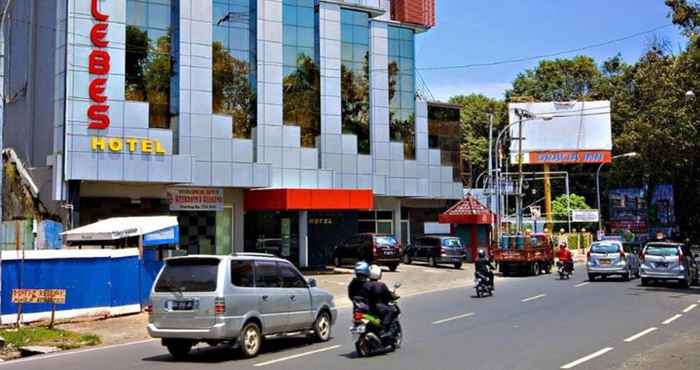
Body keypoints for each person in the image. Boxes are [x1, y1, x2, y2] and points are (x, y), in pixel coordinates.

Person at [363, 265, 398, 343]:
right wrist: (393, 297)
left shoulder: (364, 285)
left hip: (367, 308)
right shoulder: (381, 285)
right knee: (390, 311)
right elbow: (388, 296)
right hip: (377, 307)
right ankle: (384, 330)